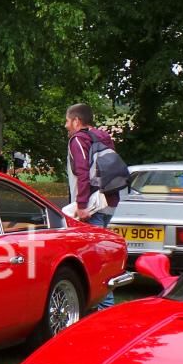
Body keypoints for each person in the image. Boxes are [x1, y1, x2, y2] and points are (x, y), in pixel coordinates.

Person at [65, 103, 120, 309]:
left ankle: (105, 309)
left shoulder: (79, 139)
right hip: (109, 202)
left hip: (91, 206)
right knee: (100, 254)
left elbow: (82, 172)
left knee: (95, 259)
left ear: (76, 121)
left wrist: (81, 205)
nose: (66, 125)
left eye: (67, 121)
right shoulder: (103, 136)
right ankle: (101, 306)